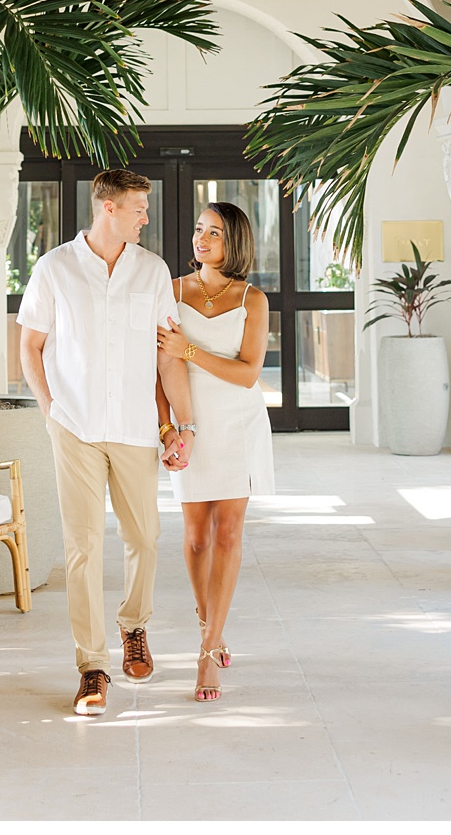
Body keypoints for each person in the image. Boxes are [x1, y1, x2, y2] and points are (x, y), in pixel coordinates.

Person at [18, 169, 196, 717]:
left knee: (145, 537)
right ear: (108, 210)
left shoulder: (153, 271)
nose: (146, 217)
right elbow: (29, 346)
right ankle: (91, 665)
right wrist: (52, 413)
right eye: (139, 208)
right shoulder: (55, 269)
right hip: (75, 427)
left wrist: (178, 426)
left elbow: (167, 353)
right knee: (84, 546)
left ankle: (133, 627)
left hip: (136, 427)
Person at [157, 200, 274, 703]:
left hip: (240, 425)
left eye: (215, 233)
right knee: (196, 536)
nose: (201, 240)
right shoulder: (171, 292)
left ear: (236, 243)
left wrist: (190, 351)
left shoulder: (253, 299)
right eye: (199, 229)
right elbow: (158, 369)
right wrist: (169, 430)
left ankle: (207, 651)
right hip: (191, 426)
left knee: (228, 533)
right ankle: (212, 624)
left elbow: (248, 374)